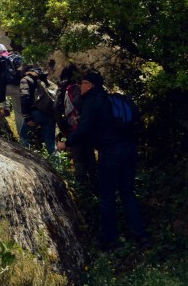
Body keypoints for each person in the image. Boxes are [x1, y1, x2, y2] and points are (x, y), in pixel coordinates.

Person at [59, 70, 147, 249]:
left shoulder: (92, 102)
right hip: (129, 149)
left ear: (89, 85)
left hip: (111, 153)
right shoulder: (111, 99)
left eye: (82, 83)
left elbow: (83, 130)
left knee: (107, 196)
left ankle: (109, 239)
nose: (80, 87)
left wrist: (66, 143)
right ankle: (141, 236)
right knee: (128, 193)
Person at [55, 65, 96, 192]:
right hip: (84, 128)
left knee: (78, 160)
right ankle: (95, 186)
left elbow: (56, 110)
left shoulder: (62, 90)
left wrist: (63, 127)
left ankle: (82, 190)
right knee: (90, 157)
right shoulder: (78, 89)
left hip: (71, 129)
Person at [19, 63, 57, 153]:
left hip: (36, 114)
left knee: (24, 136)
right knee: (51, 145)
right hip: (51, 114)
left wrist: (27, 116)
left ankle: (25, 159)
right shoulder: (44, 79)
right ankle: (58, 165)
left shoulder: (25, 79)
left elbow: (25, 97)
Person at [0, 43, 23, 136]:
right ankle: (24, 138)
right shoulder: (14, 57)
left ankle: (5, 108)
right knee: (19, 113)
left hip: (6, 88)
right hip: (18, 87)